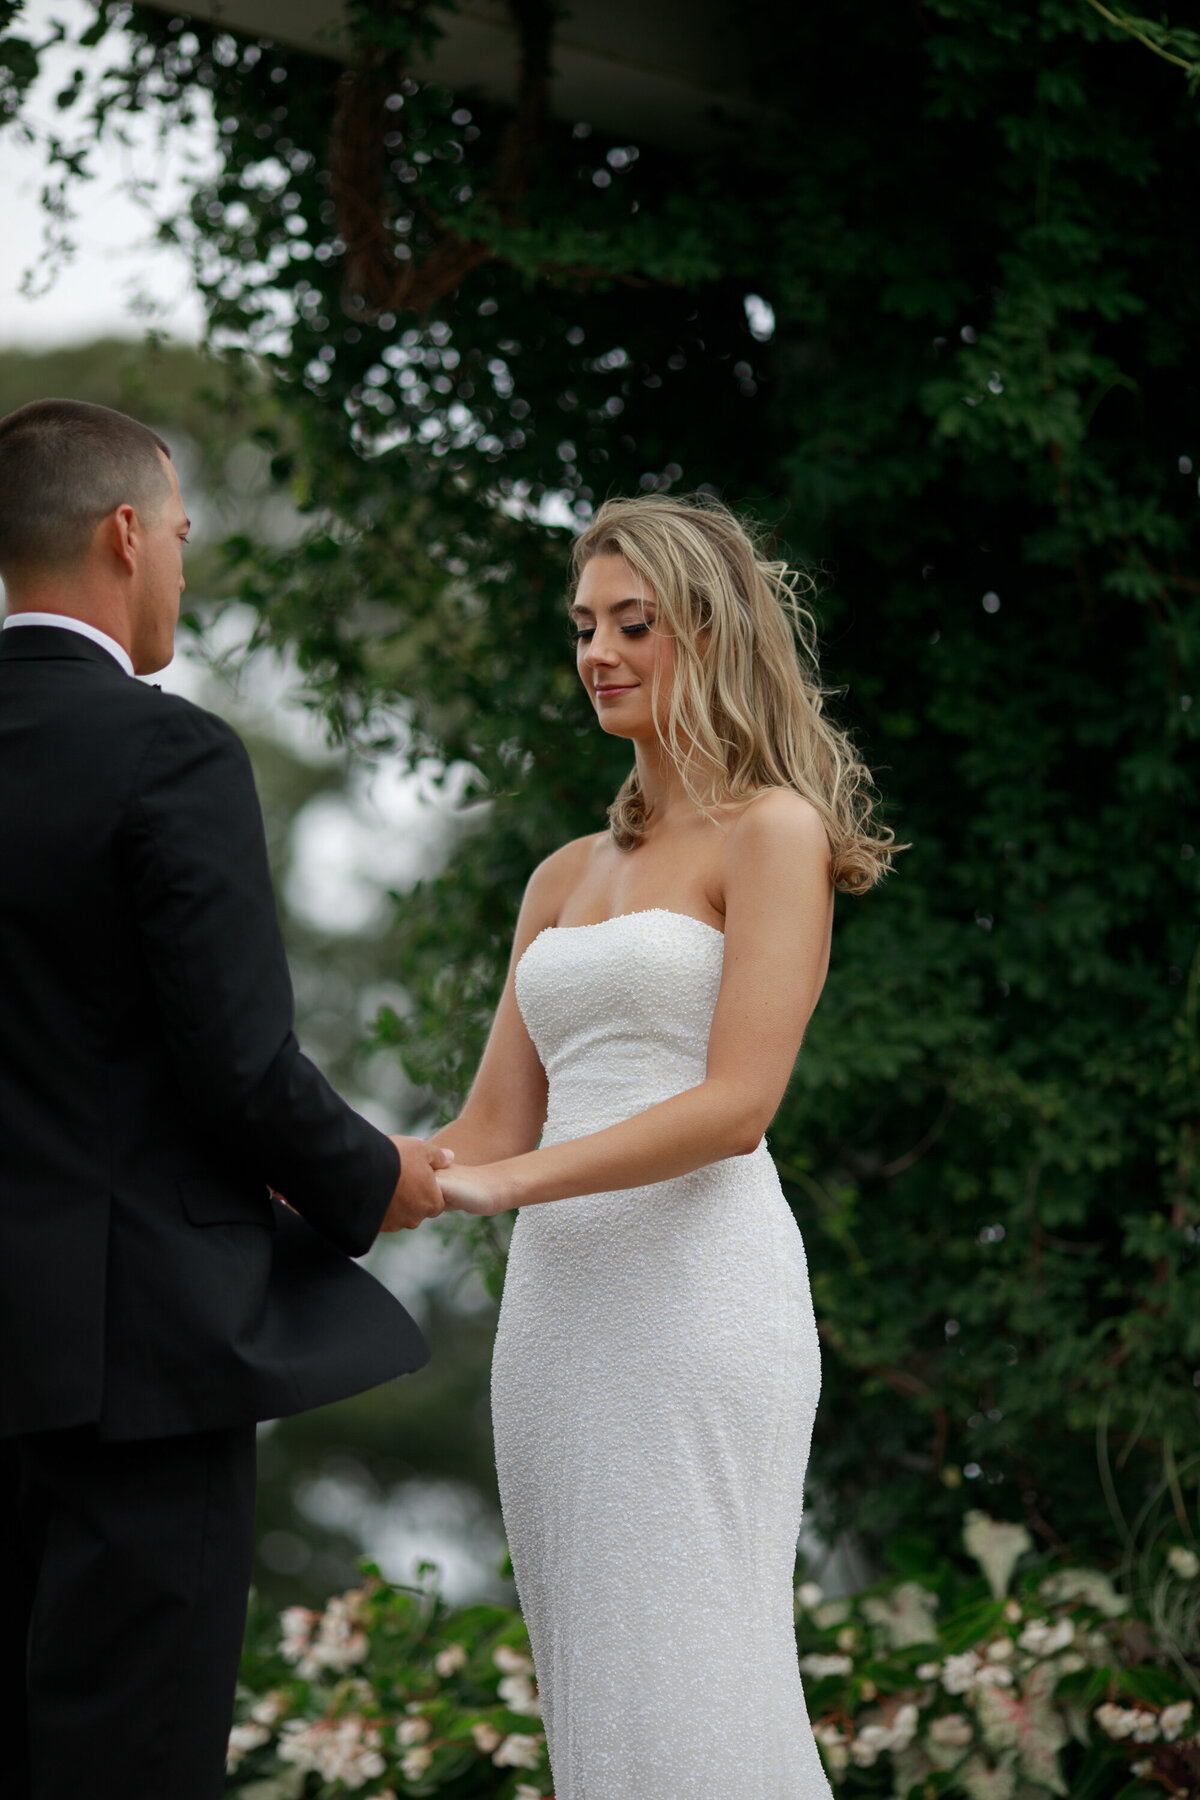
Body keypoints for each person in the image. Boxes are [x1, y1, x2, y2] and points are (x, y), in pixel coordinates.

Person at [0, 398, 452, 1800]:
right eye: (183, 537)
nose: (183, 569)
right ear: (126, 535)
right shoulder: (167, 754)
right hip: (139, 1366)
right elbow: (240, 1064)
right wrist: (376, 1177)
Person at [431, 494, 900, 1798]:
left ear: (709, 631)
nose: (597, 651)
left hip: (698, 1301)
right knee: (601, 1704)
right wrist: (314, 1167)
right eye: (583, 626)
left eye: (632, 623)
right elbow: (480, 1131)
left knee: (699, 1683)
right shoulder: (560, 876)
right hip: (558, 1327)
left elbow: (738, 1104)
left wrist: (511, 1185)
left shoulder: (773, 834)